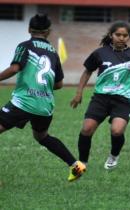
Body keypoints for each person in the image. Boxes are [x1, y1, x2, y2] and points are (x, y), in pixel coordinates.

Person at [0, 14, 85, 182]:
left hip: (23, 102)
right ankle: (76, 165)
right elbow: (59, 84)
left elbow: (15, 68)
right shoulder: (53, 52)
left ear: (29, 29)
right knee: (42, 137)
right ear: (49, 32)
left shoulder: (25, 46)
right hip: (44, 106)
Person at [70, 21, 130, 170]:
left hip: (123, 100)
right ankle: (82, 163)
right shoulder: (100, 53)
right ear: (111, 35)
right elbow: (87, 72)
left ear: (129, 37)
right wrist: (79, 93)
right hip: (101, 98)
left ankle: (114, 156)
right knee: (86, 129)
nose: (121, 38)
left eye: (125, 35)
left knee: (117, 130)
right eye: (118, 35)